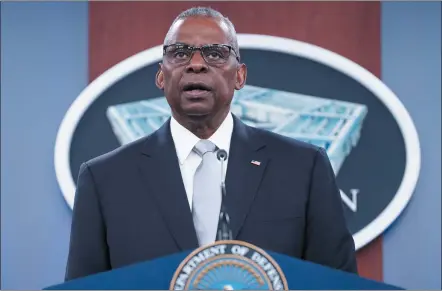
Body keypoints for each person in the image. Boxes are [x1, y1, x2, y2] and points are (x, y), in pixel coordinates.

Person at [65, 6, 358, 281]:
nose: (195, 64)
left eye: (216, 53)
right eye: (179, 53)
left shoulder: (303, 168)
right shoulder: (104, 179)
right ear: (160, 76)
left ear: (240, 75)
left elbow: (336, 284)